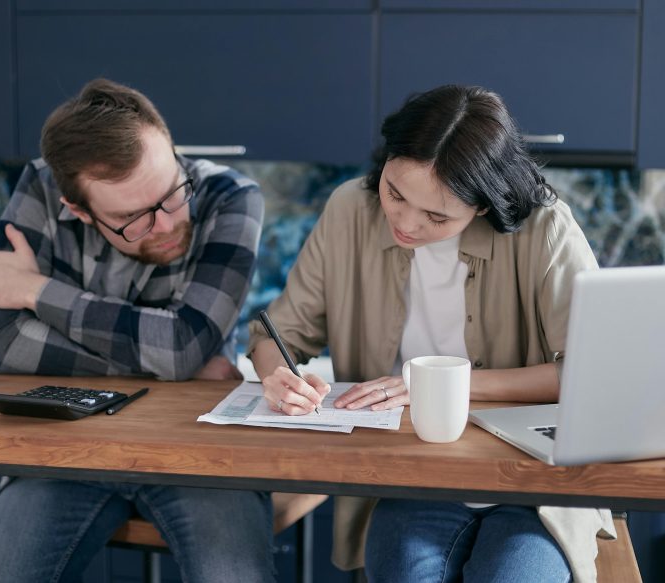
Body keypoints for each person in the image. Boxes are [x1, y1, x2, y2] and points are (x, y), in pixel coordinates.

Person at [248, 85, 615, 582]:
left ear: (484, 206)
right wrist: (276, 377)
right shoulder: (350, 211)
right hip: (411, 476)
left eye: (437, 216)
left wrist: (443, 386)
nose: (404, 222)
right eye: (395, 193)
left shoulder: (546, 229)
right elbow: (280, 332)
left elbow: (591, 375)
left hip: (532, 482)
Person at [0, 78, 274, 583]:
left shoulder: (230, 196)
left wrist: (35, 291)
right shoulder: (42, 188)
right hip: (60, 445)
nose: (168, 224)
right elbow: (6, 344)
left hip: (199, 449)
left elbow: (181, 345)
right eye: (134, 218)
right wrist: (175, 365)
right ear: (78, 211)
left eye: (172, 194)